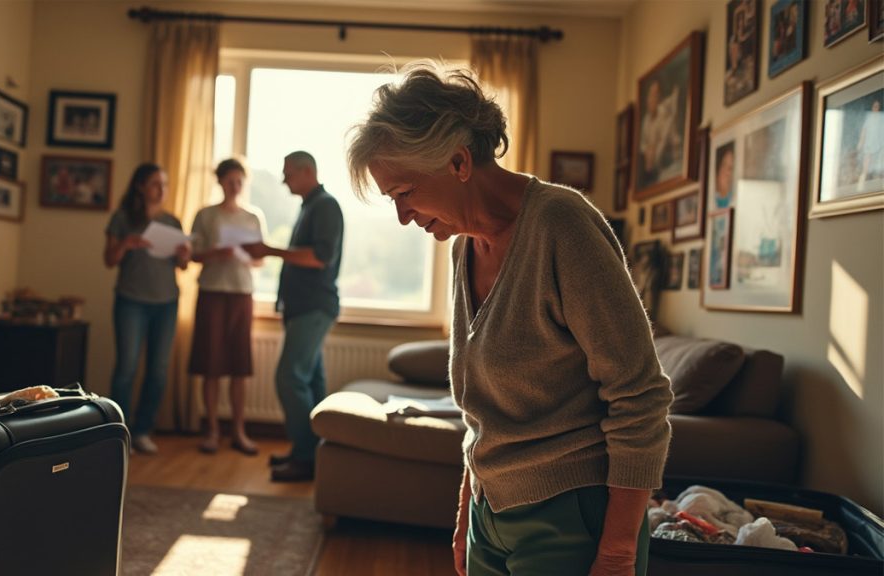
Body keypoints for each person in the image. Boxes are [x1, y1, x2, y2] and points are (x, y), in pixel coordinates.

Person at [347, 61, 672, 576]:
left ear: (458, 162)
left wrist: (616, 554)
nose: (402, 216)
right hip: (491, 514)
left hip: (571, 514)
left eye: (404, 193)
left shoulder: (562, 225)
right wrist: (466, 515)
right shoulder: (462, 247)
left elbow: (641, 396)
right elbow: (482, 414)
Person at [241, 151, 344, 483]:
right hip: (304, 308)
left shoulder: (325, 206)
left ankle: (305, 458)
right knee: (311, 381)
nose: (284, 180)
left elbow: (320, 257)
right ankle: (312, 454)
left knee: (289, 378)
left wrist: (269, 250)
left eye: (288, 173)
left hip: (313, 307)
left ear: (307, 171)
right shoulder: (311, 206)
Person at [104, 163, 191, 455]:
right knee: (126, 368)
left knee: (158, 370)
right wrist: (126, 244)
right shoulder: (123, 218)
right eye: (155, 183)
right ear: (140, 186)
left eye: (164, 184)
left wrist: (184, 255)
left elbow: (182, 265)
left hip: (166, 303)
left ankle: (142, 430)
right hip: (131, 300)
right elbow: (109, 260)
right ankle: (119, 432)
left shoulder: (172, 222)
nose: (161, 189)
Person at [188, 158, 265, 456]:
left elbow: (260, 260)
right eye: (230, 181)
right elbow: (192, 255)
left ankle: (238, 431)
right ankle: (212, 431)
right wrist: (215, 253)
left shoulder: (253, 216)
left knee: (239, 366)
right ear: (220, 181)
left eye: (239, 181)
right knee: (211, 365)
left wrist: (246, 255)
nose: (235, 186)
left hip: (241, 293)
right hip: (212, 292)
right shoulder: (205, 215)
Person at [714, 142, 736, 209]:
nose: (727, 173)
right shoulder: (711, 199)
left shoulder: (733, 200)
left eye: (730, 168)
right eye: (724, 165)